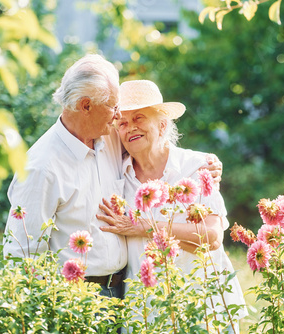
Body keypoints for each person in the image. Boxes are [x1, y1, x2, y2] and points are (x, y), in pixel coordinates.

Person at [3, 55, 222, 299]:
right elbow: (21, 254)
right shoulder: (41, 167)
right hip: (76, 297)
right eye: (113, 106)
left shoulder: (106, 135)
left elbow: (154, 141)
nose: (119, 117)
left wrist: (208, 162)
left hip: (124, 293)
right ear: (86, 106)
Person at [97, 80, 247, 331]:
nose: (130, 127)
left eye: (139, 118)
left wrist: (144, 227)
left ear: (162, 124)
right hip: (146, 312)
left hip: (203, 306)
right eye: (122, 122)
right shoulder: (118, 179)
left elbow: (211, 237)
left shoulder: (197, 167)